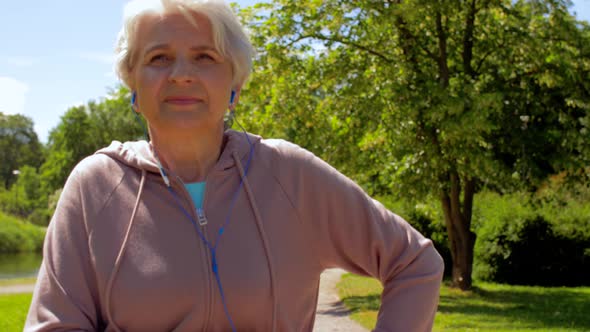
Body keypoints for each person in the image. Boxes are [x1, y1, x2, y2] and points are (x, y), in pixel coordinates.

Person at [25, 0, 444, 331]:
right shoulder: (95, 186)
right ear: (132, 84)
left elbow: (414, 263)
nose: (181, 74)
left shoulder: (290, 174)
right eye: (159, 58)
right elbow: (55, 325)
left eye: (205, 57)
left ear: (234, 86)